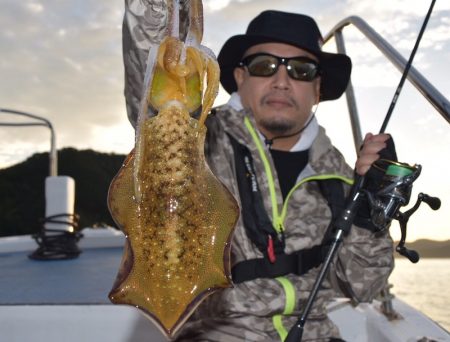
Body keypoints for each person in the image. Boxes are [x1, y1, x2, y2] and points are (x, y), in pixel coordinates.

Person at [123, 6, 394, 342]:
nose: (282, 82)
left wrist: (370, 210)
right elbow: (149, 82)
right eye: (264, 66)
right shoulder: (195, 139)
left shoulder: (337, 172)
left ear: (318, 88)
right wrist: (159, 9)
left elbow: (364, 285)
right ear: (240, 78)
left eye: (301, 70)